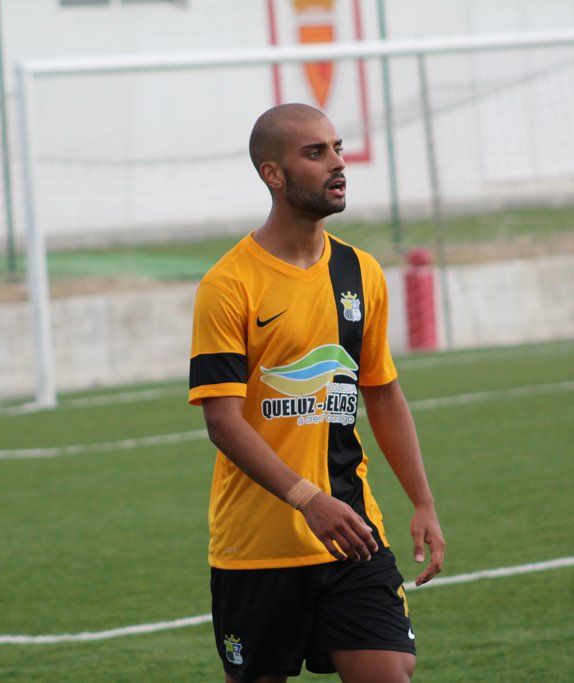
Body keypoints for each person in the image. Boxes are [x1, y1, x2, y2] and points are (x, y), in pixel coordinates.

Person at [188, 103, 446, 683]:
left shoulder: (361, 272)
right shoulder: (228, 285)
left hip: (352, 531)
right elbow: (223, 421)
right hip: (259, 547)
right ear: (273, 174)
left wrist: (422, 501)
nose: (337, 163)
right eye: (315, 153)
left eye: (337, 148)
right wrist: (308, 499)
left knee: (391, 673)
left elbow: (383, 394)